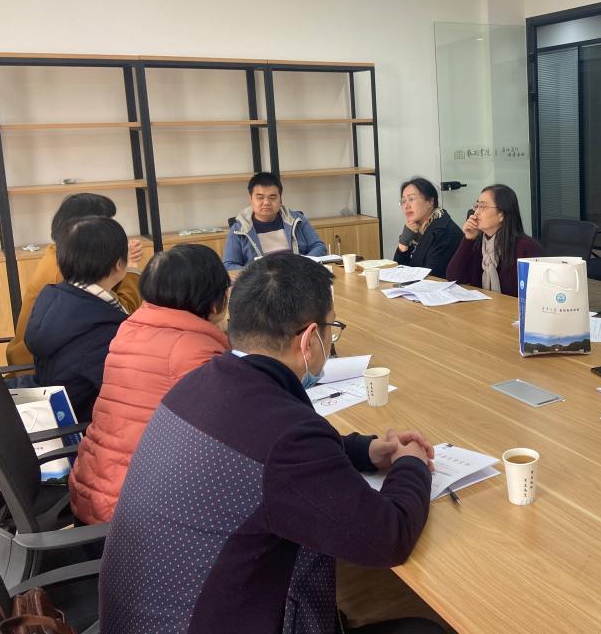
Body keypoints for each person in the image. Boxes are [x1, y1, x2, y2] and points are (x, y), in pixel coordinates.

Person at [99, 253, 441, 634]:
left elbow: (272, 455)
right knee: (426, 630)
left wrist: (366, 450)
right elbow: (388, 538)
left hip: (142, 619)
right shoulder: (286, 436)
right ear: (309, 340)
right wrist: (411, 464)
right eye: (331, 330)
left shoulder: (199, 382)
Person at [69, 244, 231, 525]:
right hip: (138, 516)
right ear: (215, 300)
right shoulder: (197, 353)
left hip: (94, 491)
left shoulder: (129, 329)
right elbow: (227, 439)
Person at [7, 193, 143, 367]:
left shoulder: (60, 255)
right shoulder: (65, 273)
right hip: (38, 368)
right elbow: (123, 314)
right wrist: (128, 267)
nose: (111, 230)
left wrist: (119, 261)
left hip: (50, 364)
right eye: (107, 223)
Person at [25, 216, 132, 422]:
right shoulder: (107, 326)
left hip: (50, 413)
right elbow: (123, 392)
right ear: (119, 263)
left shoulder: (54, 297)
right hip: (86, 425)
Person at [445, 184, 542, 297]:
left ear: (501, 214)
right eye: (476, 206)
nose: (476, 213)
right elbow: (454, 277)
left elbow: (533, 295)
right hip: (483, 305)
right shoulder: (477, 243)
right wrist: (468, 239)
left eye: (482, 207)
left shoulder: (526, 248)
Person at [222, 171, 328, 271]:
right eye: (260, 197)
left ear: (280, 199)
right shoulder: (239, 229)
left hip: (298, 276)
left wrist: (301, 264)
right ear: (250, 198)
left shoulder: (297, 219)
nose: (266, 202)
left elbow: (319, 246)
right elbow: (229, 265)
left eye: (272, 197)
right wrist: (258, 272)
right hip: (260, 281)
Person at [393, 177, 464, 278]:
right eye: (403, 201)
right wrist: (403, 242)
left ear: (430, 202)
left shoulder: (444, 232)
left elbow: (430, 276)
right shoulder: (417, 229)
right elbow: (398, 272)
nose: (406, 206)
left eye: (411, 199)